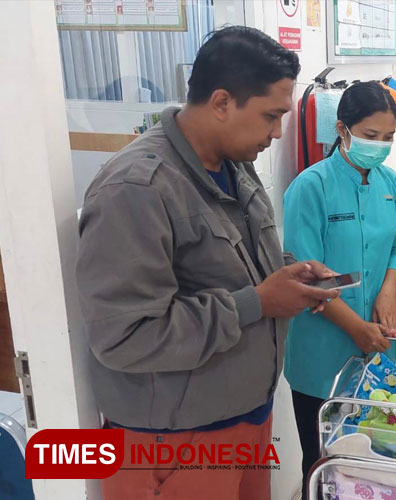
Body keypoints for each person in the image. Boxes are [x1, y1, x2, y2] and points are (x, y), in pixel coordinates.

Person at [76, 26, 339, 500]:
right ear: (221, 103)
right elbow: (125, 337)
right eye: (270, 116)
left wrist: (287, 273)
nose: (277, 132)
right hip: (173, 446)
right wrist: (257, 303)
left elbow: (233, 261)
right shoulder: (137, 190)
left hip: (243, 421)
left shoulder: (232, 163)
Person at [282, 81, 396, 493]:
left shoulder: (391, 184)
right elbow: (307, 278)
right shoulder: (310, 186)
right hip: (322, 348)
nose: (380, 145)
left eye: (388, 137)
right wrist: (356, 328)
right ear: (343, 129)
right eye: (371, 136)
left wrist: (389, 291)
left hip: (376, 341)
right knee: (322, 461)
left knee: (370, 456)